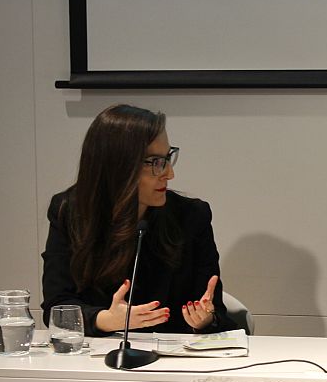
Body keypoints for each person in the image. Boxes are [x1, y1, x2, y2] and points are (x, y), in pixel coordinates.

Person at [41, 104, 237, 336]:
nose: (169, 174)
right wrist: (107, 320)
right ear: (118, 166)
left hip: (172, 360)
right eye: (156, 162)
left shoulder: (192, 217)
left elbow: (216, 314)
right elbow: (57, 308)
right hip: (97, 358)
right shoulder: (70, 212)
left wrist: (205, 320)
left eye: (167, 158)